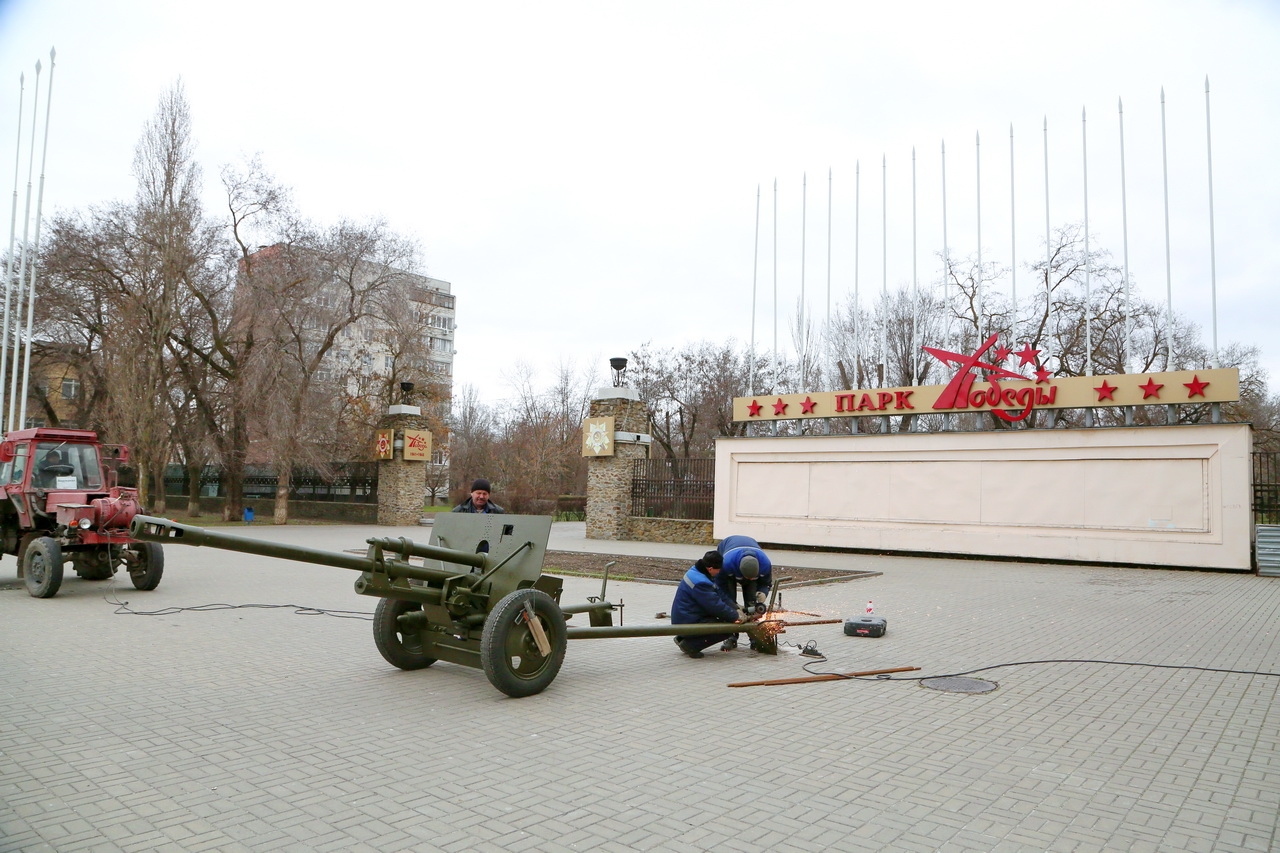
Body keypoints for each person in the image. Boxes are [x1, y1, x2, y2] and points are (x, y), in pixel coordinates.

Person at [670, 550, 748, 658]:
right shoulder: (700, 583)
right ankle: (690, 645)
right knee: (727, 628)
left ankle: (682, 638)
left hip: (685, 617)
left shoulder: (699, 572)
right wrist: (736, 616)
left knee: (723, 620)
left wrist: (735, 607)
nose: (719, 571)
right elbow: (716, 606)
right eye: (718, 569)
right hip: (687, 621)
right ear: (710, 568)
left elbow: (719, 594)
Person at [715, 534, 774, 651]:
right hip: (729, 558)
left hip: (744, 556)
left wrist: (763, 593)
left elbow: (766, 583)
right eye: (748, 578)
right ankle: (730, 637)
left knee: (752, 605)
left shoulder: (765, 564)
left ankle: (754, 637)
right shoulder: (726, 564)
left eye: (753, 578)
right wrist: (733, 606)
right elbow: (719, 588)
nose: (750, 581)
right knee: (730, 604)